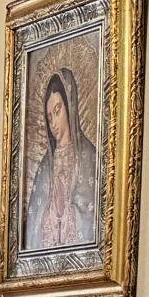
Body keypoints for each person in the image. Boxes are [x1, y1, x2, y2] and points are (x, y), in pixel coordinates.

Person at [24, 64, 104, 253]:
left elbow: (94, 220)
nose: (53, 123)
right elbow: (33, 230)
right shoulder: (45, 167)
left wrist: (68, 211)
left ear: (70, 106)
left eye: (58, 110)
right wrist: (52, 213)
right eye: (49, 116)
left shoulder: (90, 158)